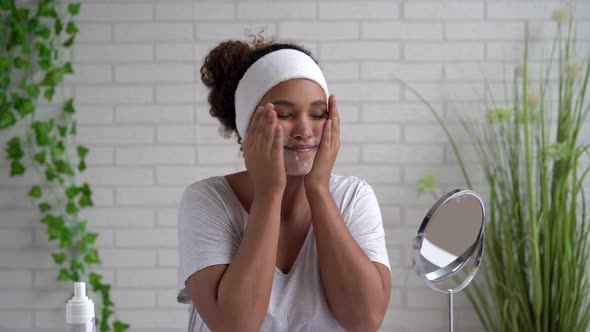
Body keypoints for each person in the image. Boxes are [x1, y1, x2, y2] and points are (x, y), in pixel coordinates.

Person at [176, 35, 391, 332]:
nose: (304, 130)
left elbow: (365, 320)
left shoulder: (354, 198)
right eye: (286, 115)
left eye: (317, 114)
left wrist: (318, 189)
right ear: (248, 127)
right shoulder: (207, 200)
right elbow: (236, 325)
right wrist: (268, 194)